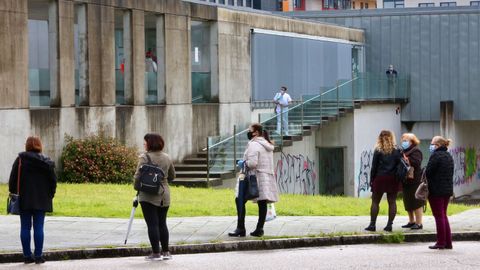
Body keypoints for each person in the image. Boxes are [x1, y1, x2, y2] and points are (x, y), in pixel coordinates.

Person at [8, 136, 57, 264]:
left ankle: (27, 256)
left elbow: (12, 181)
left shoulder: (20, 160)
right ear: (40, 146)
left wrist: (14, 193)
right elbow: (53, 181)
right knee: (39, 227)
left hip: (24, 199)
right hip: (42, 199)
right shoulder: (46, 162)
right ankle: (39, 256)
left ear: (27, 146)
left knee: (25, 227)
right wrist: (50, 195)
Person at [228, 123, 279, 237]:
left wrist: (242, 163)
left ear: (256, 132)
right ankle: (259, 229)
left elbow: (252, 163)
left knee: (239, 199)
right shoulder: (267, 144)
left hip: (252, 177)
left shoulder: (254, 145)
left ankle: (240, 228)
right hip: (265, 177)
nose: (248, 132)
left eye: (250, 130)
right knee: (262, 202)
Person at [134, 133, 175, 260]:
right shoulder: (167, 157)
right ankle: (166, 252)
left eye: (145, 142)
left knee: (152, 224)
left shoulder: (144, 158)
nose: (144, 144)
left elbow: (137, 177)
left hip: (148, 195)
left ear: (150, 143)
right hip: (164, 195)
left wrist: (137, 187)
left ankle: (156, 253)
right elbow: (172, 176)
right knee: (162, 223)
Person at [365, 130, 402, 232]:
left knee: (375, 202)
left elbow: (374, 167)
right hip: (393, 179)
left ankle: (372, 225)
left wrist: (372, 180)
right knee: (392, 202)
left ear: (380, 138)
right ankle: (389, 225)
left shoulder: (378, 150)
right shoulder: (397, 150)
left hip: (380, 178)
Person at [425, 136, 454, 250]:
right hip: (447, 190)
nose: (431, 146)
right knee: (443, 215)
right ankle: (448, 242)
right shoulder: (448, 156)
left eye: (432, 143)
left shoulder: (435, 156)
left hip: (436, 190)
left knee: (439, 216)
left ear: (437, 145)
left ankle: (441, 242)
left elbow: (428, 172)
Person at [399, 133, 424, 230]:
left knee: (416, 202)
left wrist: (407, 159)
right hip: (406, 180)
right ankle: (411, 221)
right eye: (403, 140)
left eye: (406, 140)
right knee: (408, 202)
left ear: (412, 142)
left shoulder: (416, 150)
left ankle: (419, 223)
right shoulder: (403, 151)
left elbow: (417, 163)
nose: (403, 142)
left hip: (415, 180)